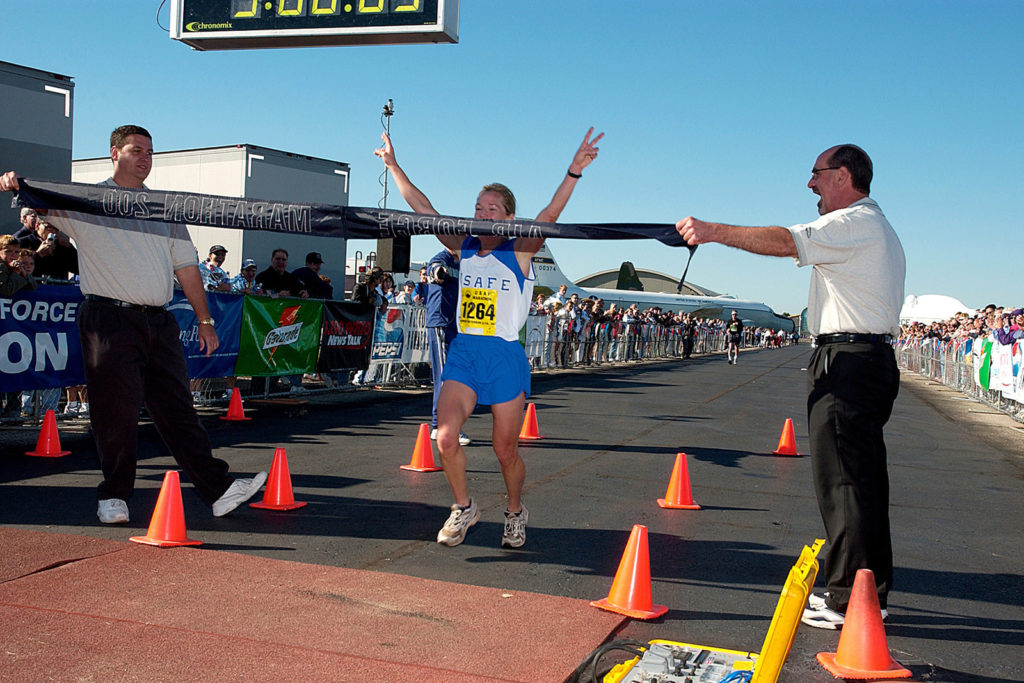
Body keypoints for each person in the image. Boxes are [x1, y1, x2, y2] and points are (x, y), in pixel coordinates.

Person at [676, 144, 905, 630]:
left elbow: (784, 242)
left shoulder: (851, 224)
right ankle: (867, 591)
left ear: (842, 176)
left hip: (848, 361)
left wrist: (713, 232)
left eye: (816, 174)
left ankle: (848, 599)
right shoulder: (871, 226)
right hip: (864, 358)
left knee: (842, 480)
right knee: (861, 481)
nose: (811, 185)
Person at [0, 124, 267, 523]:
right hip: (107, 318)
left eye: (150, 152)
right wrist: (18, 186)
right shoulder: (87, 201)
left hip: (158, 322)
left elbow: (186, 267)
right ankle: (114, 495)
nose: (145, 158)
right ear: (114, 153)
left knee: (178, 410)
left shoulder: (164, 209)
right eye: (137, 150)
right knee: (115, 410)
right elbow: (39, 205)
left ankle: (219, 490)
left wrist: (206, 320)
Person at [375, 126, 602, 548]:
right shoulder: (463, 247)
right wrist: (393, 165)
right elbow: (425, 211)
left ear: (508, 216)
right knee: (444, 437)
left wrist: (573, 172)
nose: (483, 211)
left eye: (492, 208)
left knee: (504, 452)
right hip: (465, 354)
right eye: (479, 205)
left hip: (503, 358)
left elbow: (549, 216)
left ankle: (515, 511)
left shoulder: (519, 251)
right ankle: (463, 507)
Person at [424, 247, 470, 446]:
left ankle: (442, 425)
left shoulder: (463, 263)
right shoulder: (441, 259)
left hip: (454, 324)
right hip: (440, 323)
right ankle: (443, 426)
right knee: (445, 377)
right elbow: (436, 271)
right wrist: (438, 273)